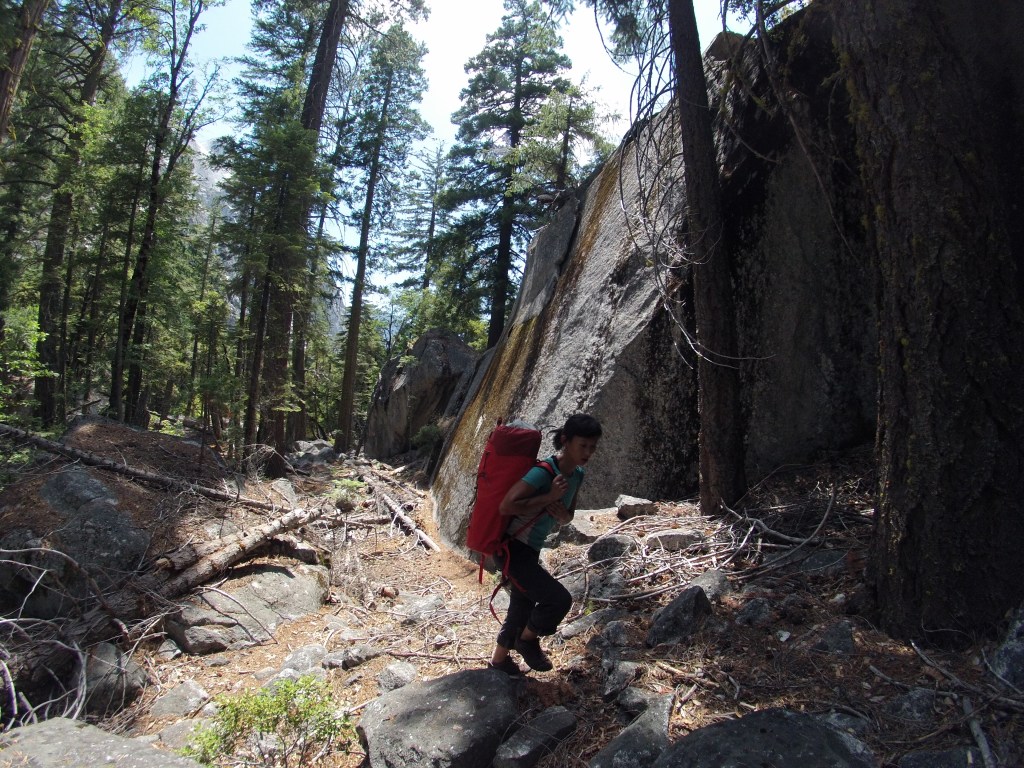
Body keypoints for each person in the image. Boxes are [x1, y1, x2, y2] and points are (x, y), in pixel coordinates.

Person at [488, 413, 603, 675]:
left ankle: (498, 662)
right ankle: (526, 641)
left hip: (529, 551)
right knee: (558, 600)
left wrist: (563, 516)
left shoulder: (578, 475)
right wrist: (548, 496)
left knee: (522, 605)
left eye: (592, 447)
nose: (587, 452)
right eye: (582, 445)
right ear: (566, 440)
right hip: (512, 550)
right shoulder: (543, 472)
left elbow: (567, 515)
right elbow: (507, 506)